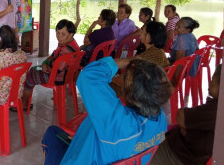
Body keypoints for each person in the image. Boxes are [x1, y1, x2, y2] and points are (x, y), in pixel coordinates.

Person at [42, 57, 173, 165]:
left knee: (52, 133)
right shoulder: (160, 120)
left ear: (131, 93)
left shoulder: (117, 121)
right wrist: (83, 139)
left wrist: (126, 61)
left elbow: (89, 76)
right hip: (111, 154)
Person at [150, 64, 222, 165]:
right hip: (188, 151)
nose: (210, 83)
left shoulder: (216, 110)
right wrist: (188, 126)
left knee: (140, 153)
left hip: (179, 155)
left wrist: (187, 126)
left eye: (213, 81)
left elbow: (180, 115)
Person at [19, 19, 80, 110]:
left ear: (71, 34)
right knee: (33, 69)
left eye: (63, 34)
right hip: (66, 76)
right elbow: (53, 55)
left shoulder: (66, 51)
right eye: (57, 33)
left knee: (30, 76)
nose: (59, 36)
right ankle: (25, 100)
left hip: (57, 77)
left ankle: (23, 103)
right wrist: (45, 62)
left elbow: (52, 70)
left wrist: (45, 65)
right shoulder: (70, 44)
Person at [111, 21, 170, 95]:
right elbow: (132, 59)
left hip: (143, 94)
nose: (140, 33)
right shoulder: (158, 51)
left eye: (143, 31)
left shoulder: (147, 58)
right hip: (152, 90)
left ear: (148, 37)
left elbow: (127, 80)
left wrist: (111, 78)